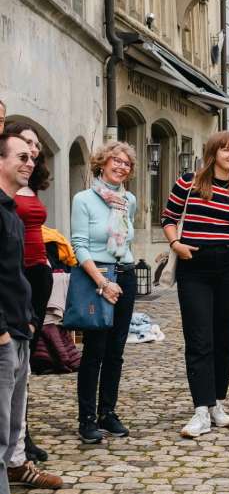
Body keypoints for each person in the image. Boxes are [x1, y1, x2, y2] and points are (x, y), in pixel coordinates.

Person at [162, 131, 229, 439]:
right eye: (226, 149)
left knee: (226, 336)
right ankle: (201, 409)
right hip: (194, 263)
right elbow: (168, 217)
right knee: (199, 337)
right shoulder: (188, 183)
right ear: (213, 152)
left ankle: (217, 402)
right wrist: (176, 244)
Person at [2, 123, 62, 486]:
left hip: (30, 281)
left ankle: (18, 456)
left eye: (35, 149)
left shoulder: (18, 196)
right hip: (10, 299)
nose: (32, 156)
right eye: (24, 150)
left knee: (19, 381)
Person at [71, 140, 139, 445]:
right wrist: (102, 282)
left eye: (127, 163)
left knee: (116, 351)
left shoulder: (130, 201)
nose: (121, 167)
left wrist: (119, 280)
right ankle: (86, 419)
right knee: (94, 351)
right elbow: (79, 245)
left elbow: (126, 241)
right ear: (102, 163)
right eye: (116, 161)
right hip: (98, 277)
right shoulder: (84, 199)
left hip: (125, 275)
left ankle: (107, 412)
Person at [0, 132, 40, 494]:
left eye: (31, 156)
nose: (29, 162)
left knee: (12, 430)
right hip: (3, 333)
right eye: (21, 156)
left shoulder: (11, 209)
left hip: (18, 328)